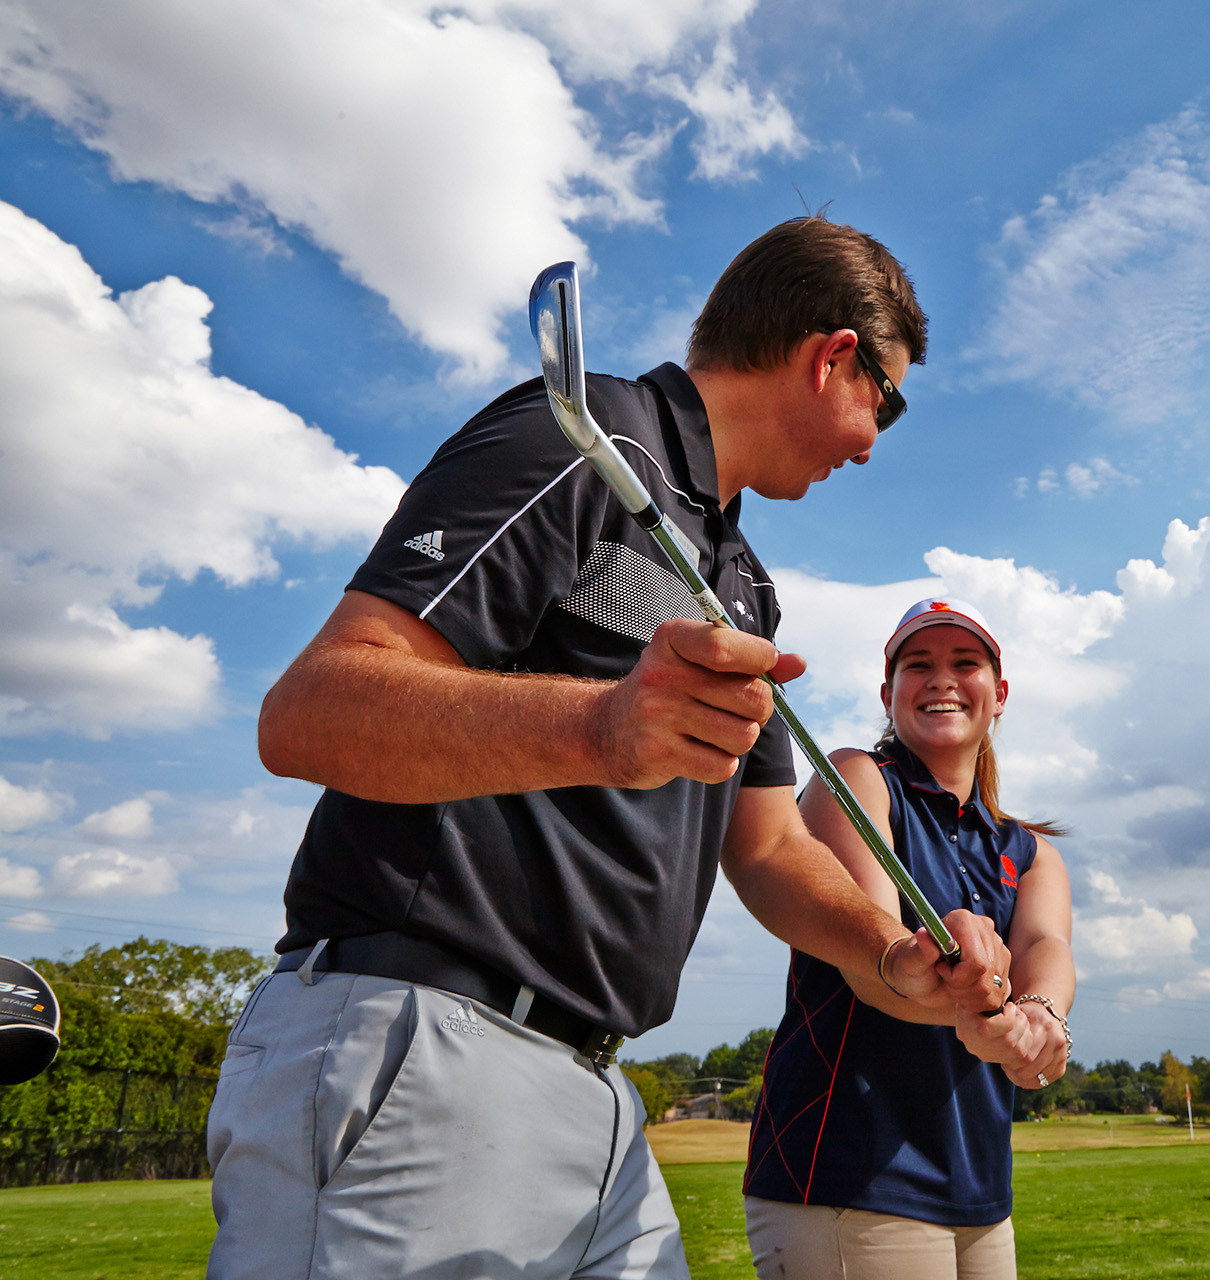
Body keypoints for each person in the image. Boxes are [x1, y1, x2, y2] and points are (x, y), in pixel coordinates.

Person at [204, 218, 1012, 1280]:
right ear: (834, 357)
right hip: (423, 1039)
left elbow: (765, 848)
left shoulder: (745, 580)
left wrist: (887, 949)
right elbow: (309, 710)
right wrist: (599, 725)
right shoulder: (578, 440)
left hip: (594, 1092)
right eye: (884, 403)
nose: (871, 439)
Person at [742, 597, 1076, 1280]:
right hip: (847, 1170)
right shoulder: (856, 779)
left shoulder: (1030, 850)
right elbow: (878, 969)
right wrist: (991, 1018)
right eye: (917, 665)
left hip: (979, 1182)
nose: (942, 679)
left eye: (965, 663)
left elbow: (1048, 952)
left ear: (1000, 693)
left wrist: (1041, 1022)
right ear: (888, 694)